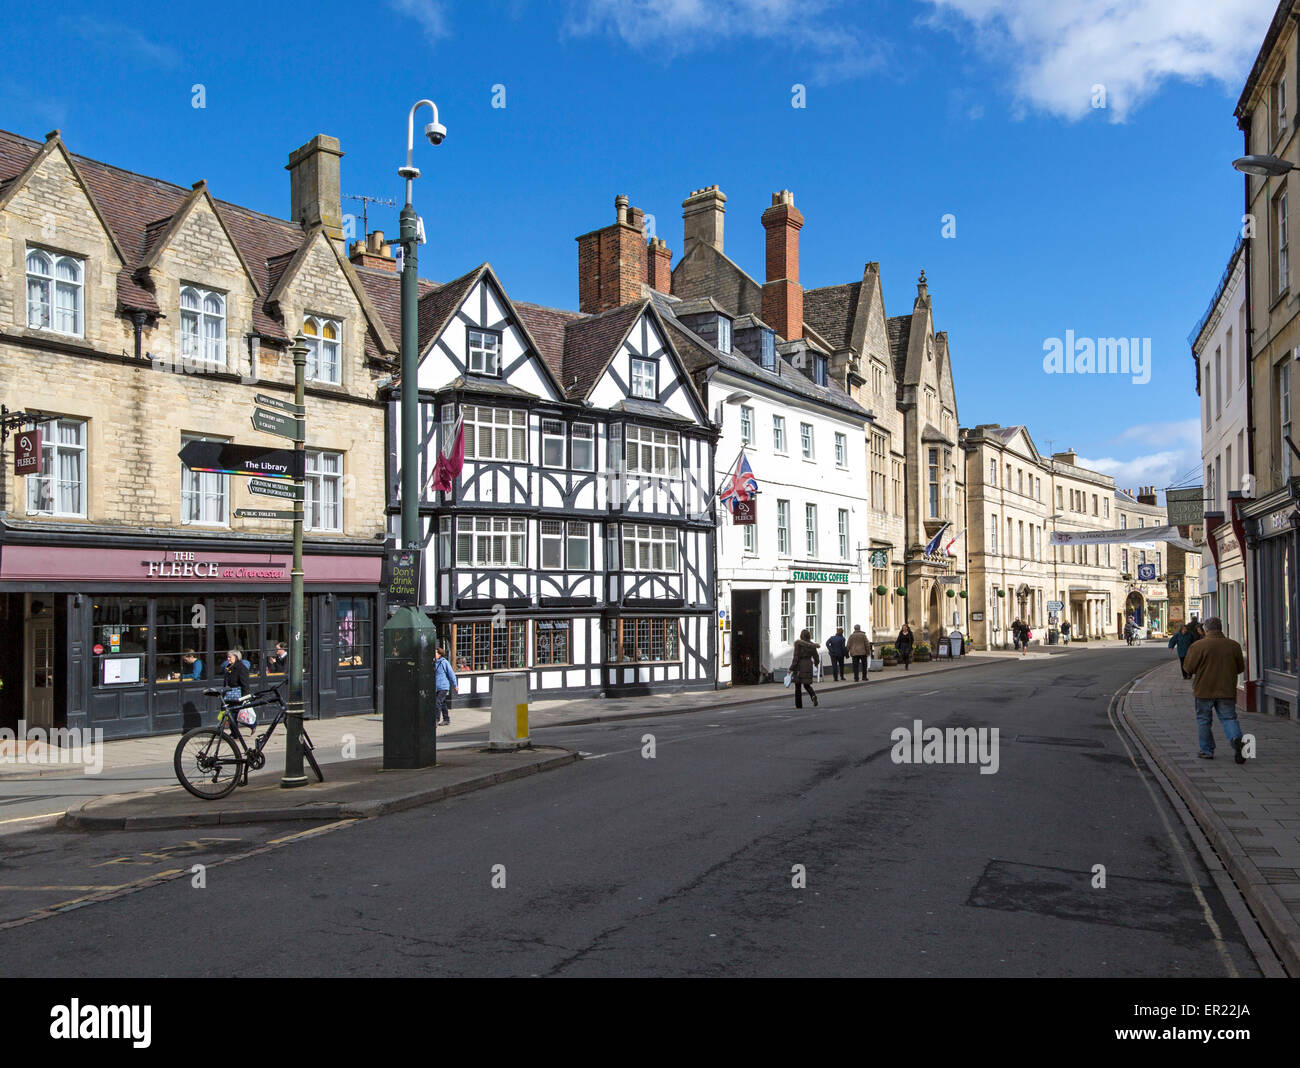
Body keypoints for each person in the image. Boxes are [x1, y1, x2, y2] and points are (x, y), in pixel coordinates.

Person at [1181, 618, 1246, 763]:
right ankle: (1236, 738)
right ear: (1221, 628)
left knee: (1204, 720)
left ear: (1206, 630)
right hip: (1226, 689)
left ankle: (1207, 751)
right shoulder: (1233, 646)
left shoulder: (1198, 646)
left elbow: (1188, 668)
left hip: (1204, 689)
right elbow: (1240, 668)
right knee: (1229, 718)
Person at [791, 629, 820, 708]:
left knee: (798, 687)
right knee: (807, 685)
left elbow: (796, 657)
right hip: (808, 665)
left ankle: (799, 705)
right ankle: (813, 695)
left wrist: (791, 668)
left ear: (801, 635)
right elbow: (816, 657)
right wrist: (816, 663)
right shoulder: (812, 645)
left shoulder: (798, 644)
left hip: (799, 667)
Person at [434, 645, 458, 726]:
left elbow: (451, 674)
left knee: (437, 702)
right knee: (442, 703)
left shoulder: (444, 662)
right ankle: (446, 719)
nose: (434, 654)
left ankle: (436, 719)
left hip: (443, 686)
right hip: (436, 687)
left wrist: (455, 685)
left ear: (439, 654)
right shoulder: (434, 662)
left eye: (435, 653)